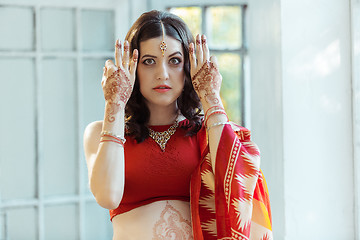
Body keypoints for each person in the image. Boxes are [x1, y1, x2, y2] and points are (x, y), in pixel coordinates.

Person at [83, 10, 272, 240]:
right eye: (149, 61)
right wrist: (115, 103)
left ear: (189, 68)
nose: (162, 74)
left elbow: (236, 192)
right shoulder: (100, 133)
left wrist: (211, 97)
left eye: (174, 61)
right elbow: (107, 196)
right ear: (131, 67)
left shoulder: (209, 134)